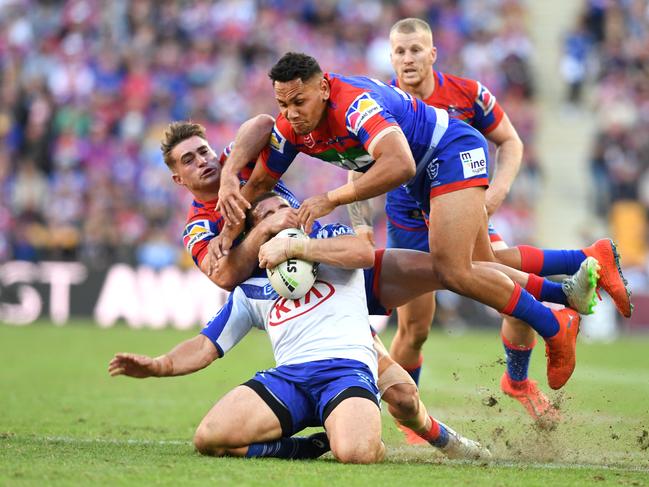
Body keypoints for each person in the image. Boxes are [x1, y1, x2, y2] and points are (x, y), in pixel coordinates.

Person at [215, 52, 632, 393]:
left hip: (450, 150)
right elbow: (263, 179)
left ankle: (553, 323)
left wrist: (331, 198)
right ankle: (566, 293)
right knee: (479, 264)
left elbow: (399, 162)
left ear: (322, 88)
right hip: (422, 179)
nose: (292, 113)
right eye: (283, 104)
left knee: (453, 269)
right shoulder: (293, 124)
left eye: (299, 102)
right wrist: (229, 227)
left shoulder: (355, 105)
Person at [160, 121, 497, 459]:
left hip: (335, 261)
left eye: (203, 151)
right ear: (178, 178)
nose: (203, 161)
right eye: (188, 160)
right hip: (297, 289)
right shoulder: (201, 225)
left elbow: (264, 123)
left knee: (446, 272)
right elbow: (224, 276)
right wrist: (265, 232)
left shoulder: (240, 161)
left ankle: (536, 291)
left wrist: (232, 172)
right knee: (402, 395)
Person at [109, 193, 510, 462]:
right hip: (288, 379)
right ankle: (304, 447)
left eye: (283, 208)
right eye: (264, 216)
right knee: (209, 438)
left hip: (346, 368)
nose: (276, 217)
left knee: (362, 449)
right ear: (254, 232)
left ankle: (445, 440)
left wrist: (298, 246)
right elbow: (205, 345)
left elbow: (363, 252)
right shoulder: (251, 288)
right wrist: (159, 365)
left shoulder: (331, 241)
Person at [346, 17, 544, 436]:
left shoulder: (469, 94)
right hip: (409, 225)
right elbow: (357, 172)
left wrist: (494, 194)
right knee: (415, 329)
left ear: (432, 53)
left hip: (462, 215)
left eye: (415, 49)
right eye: (399, 51)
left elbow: (510, 140)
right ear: (390, 57)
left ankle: (519, 378)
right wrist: (362, 227)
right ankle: (409, 416)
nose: (407, 58)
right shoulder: (376, 102)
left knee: (515, 295)